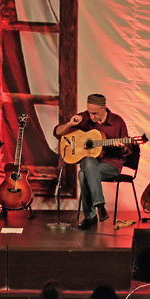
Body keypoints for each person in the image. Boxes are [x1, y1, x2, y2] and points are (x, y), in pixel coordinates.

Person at [53, 93, 134, 229]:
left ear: (104, 108)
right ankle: (99, 205)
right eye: (90, 112)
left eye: (95, 113)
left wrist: (122, 148)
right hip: (92, 164)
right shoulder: (84, 117)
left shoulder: (117, 122)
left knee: (83, 173)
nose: (91, 117)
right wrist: (70, 124)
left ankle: (91, 215)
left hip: (111, 166)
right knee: (88, 163)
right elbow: (58, 133)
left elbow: (128, 151)